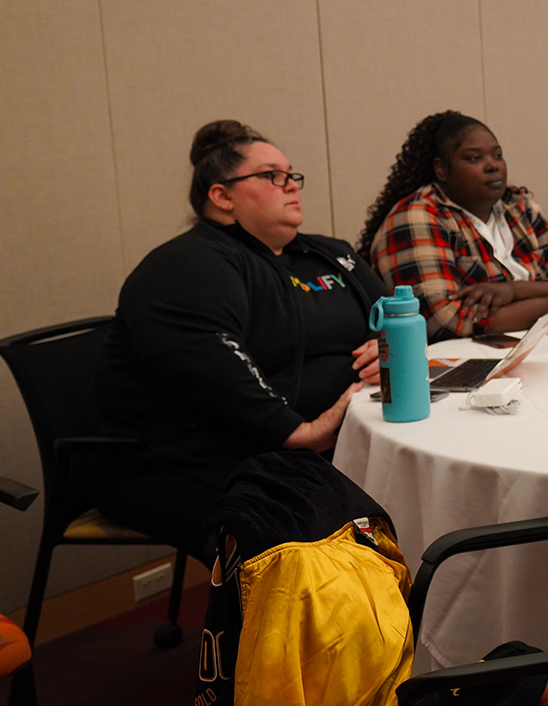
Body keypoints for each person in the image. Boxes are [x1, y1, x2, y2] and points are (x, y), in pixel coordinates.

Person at [92, 121, 387, 558]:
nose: (291, 186)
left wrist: (389, 348)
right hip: (191, 460)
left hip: (330, 443)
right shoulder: (187, 267)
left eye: (291, 175)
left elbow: (397, 315)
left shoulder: (327, 252)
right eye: (272, 176)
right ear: (222, 196)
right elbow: (221, 377)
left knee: (411, 492)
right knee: (333, 541)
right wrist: (311, 431)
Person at [362, 111, 548, 341]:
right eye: (474, 158)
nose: (493, 166)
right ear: (442, 169)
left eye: (497, 155)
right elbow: (445, 323)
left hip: (542, 346)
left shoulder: (520, 207)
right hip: (458, 364)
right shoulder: (417, 218)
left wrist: (514, 290)